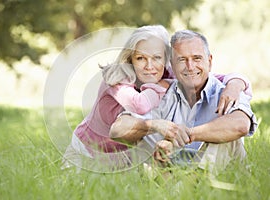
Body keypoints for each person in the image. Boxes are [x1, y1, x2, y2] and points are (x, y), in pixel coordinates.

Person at [63, 25, 252, 171]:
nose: (149, 66)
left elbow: (203, 75)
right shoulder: (117, 79)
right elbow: (140, 104)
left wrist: (235, 83)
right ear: (130, 59)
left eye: (156, 58)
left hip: (125, 155)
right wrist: (160, 89)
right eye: (140, 58)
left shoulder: (166, 73)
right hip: (88, 150)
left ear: (166, 59)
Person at [109, 30, 257, 175]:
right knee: (141, 135)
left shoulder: (228, 92)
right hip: (175, 173)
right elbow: (117, 130)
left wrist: (181, 137)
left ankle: (192, 186)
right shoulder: (164, 93)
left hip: (222, 175)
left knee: (224, 135)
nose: (190, 66)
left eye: (197, 58)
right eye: (182, 59)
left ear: (209, 61)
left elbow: (241, 125)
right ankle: (174, 187)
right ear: (172, 65)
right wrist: (154, 125)